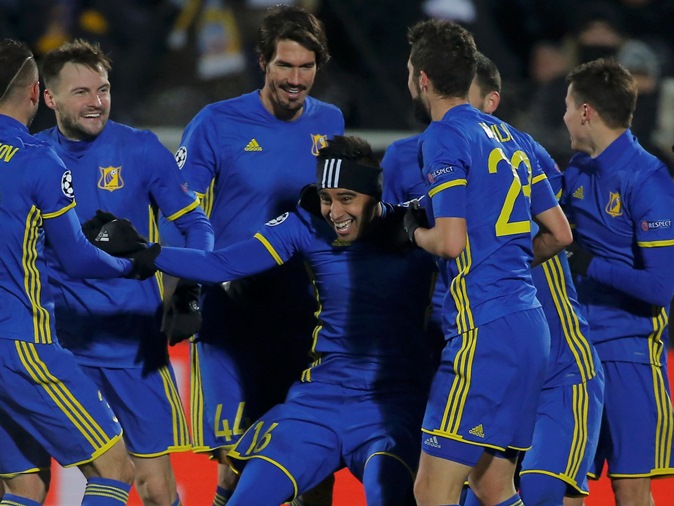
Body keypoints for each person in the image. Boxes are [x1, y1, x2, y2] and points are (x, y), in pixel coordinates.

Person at [85, 135, 438, 506]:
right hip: (320, 402)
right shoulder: (305, 224)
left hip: (392, 407)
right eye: (326, 197)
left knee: (393, 496)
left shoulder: (422, 230)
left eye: (346, 198)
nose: (334, 211)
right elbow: (222, 264)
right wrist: (144, 250)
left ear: (373, 195)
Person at [173, 4, 344, 504]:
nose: (296, 79)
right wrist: (186, 290)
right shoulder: (215, 123)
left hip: (302, 310)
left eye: (306, 67)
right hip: (232, 310)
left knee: (311, 458)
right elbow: (183, 212)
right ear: (263, 62)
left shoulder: (330, 121)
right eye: (285, 66)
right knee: (237, 460)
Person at [35, 39, 214, 506]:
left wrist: (191, 290)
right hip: (57, 349)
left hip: (131, 347)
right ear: (49, 98)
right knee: (25, 480)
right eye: (81, 92)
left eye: (103, 89)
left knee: (155, 489)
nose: (96, 101)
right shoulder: (29, 158)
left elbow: (197, 225)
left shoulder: (140, 149)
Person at [403, 20, 573, 506]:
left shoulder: (442, 137)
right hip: (528, 327)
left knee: (431, 490)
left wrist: (413, 230)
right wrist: (506, 259)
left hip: (483, 333)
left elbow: (450, 242)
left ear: (424, 79)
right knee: (493, 485)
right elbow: (560, 233)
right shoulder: (513, 137)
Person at [0, 38, 145, 506]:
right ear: (34, 93)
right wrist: (131, 263)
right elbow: (78, 258)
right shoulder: (38, 160)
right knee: (115, 468)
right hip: (23, 343)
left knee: (25, 485)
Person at [457, 52, 605, 506]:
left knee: (543, 492)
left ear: (491, 103)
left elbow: (563, 232)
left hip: (562, 374)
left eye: (464, 101)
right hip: (498, 375)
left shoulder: (524, 157)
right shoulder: (440, 174)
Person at [561, 57, 674, 506]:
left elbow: (660, 288)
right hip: (575, 354)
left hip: (628, 356)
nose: (564, 116)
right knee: (564, 483)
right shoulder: (576, 170)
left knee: (630, 492)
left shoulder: (649, 181)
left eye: (568, 106)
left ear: (586, 112)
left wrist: (586, 263)